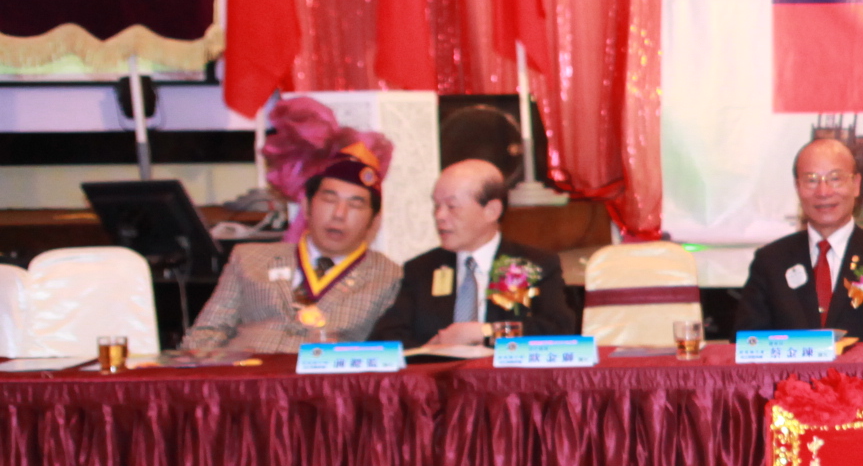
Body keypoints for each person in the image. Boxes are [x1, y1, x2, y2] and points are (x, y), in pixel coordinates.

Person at [184, 133, 399, 353]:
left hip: (327, 373)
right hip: (251, 369)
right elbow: (204, 334)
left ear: (373, 220)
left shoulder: (389, 277)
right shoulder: (248, 258)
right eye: (329, 199)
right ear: (306, 207)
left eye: (355, 205)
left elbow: (389, 352)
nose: (339, 214)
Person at [734, 136, 863, 341]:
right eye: (811, 180)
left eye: (835, 178)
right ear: (798, 188)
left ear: (856, 184)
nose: (823, 192)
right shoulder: (770, 261)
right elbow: (746, 345)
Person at [371, 159, 576, 346]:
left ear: (491, 211)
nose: (439, 216)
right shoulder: (422, 269)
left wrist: (486, 332)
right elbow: (387, 337)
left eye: (452, 206)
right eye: (437, 205)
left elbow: (559, 330)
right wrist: (430, 348)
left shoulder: (533, 264)